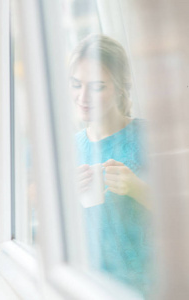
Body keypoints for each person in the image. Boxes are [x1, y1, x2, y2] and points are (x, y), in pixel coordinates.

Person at [70, 34, 152, 293]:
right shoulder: (70, 148)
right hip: (89, 287)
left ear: (119, 87)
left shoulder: (149, 138)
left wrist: (137, 188)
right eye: (75, 84)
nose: (83, 97)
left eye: (96, 87)